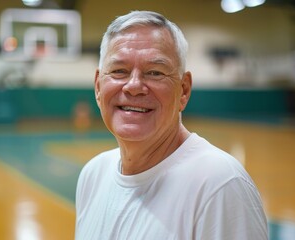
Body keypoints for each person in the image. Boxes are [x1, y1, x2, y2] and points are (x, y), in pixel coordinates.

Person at [75, 10, 268, 240]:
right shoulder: (92, 175)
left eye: (155, 72)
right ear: (98, 87)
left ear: (184, 90)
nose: (134, 86)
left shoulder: (220, 184)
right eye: (119, 71)